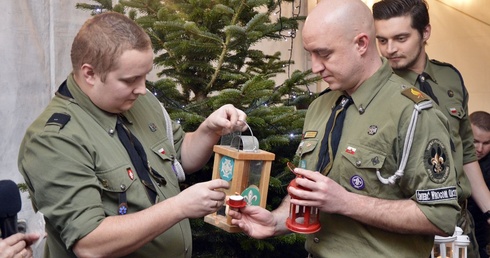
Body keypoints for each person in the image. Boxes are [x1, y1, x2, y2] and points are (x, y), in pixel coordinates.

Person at [229, 0, 459, 256]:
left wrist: (346, 202)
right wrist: (275, 221)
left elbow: (441, 217)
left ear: (361, 43)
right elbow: (306, 190)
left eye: (325, 54)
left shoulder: (414, 112)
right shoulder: (319, 107)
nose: (315, 67)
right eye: (310, 54)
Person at [17, 12, 247, 258]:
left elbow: (181, 157)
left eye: (145, 75)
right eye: (130, 80)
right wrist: (179, 207)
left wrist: (209, 129)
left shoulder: (139, 101)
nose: (142, 89)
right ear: (90, 74)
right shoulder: (54, 140)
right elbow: (89, 243)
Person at [372, 1, 490, 257]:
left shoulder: (451, 78)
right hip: (406, 223)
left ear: (425, 32)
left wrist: (489, 210)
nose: (389, 50)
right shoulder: (375, 87)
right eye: (382, 40)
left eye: (400, 38)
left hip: (458, 222)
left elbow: (466, 152)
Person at [468, 111, 490, 258]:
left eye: (486, 143)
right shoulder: (450, 156)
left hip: (481, 239)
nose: (480, 149)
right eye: (475, 141)